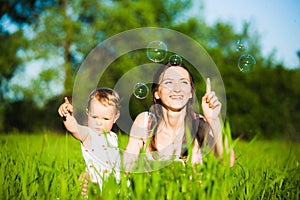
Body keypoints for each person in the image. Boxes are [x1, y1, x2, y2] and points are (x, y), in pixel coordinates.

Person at [123, 62, 234, 171]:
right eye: (169, 82)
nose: (177, 89)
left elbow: (227, 161)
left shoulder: (199, 124)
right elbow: (127, 165)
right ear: (157, 93)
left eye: (184, 83)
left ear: (191, 93)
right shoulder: (145, 122)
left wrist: (214, 121)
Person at [58, 88, 121, 195]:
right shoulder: (89, 134)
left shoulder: (113, 137)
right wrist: (67, 115)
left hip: (112, 185)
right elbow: (74, 128)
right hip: (94, 184)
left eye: (105, 119)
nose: (99, 123)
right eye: (94, 117)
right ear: (88, 113)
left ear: (115, 117)